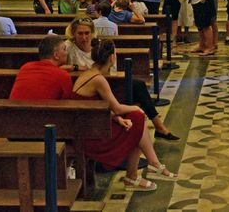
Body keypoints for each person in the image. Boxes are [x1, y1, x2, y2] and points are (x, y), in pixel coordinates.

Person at [70, 38, 179, 191]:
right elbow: (117, 108)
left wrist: (119, 118)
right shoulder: (98, 79)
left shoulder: (89, 74)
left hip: (90, 128)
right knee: (137, 118)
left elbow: (98, 109)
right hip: (91, 136)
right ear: (112, 58)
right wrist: (136, 109)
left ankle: (150, 166)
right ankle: (136, 175)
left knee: (135, 120)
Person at [9, 34, 73, 100]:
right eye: (64, 49)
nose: (67, 53)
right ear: (56, 55)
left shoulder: (25, 67)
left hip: (13, 109)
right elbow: (66, 101)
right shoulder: (63, 75)